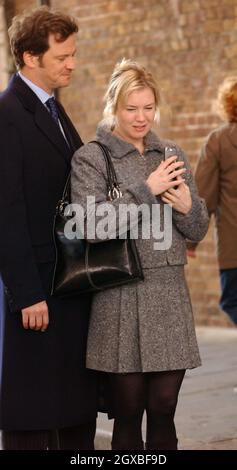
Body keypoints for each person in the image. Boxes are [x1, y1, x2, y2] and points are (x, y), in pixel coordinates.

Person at [71, 59, 209, 450]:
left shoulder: (170, 152)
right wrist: (147, 189)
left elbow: (197, 229)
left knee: (165, 405)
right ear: (114, 107)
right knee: (128, 409)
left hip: (168, 294)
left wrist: (187, 207)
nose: (141, 117)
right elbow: (90, 226)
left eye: (148, 108)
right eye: (131, 108)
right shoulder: (92, 157)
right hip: (120, 297)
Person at [0, 7, 97, 450]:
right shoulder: (7, 114)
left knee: (73, 409)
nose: (71, 64)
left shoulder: (55, 109)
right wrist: (27, 293)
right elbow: (7, 211)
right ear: (29, 57)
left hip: (70, 282)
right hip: (38, 291)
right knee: (32, 414)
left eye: (73, 54)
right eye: (62, 56)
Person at [188, 77, 237, 326]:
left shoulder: (218, 141)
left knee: (232, 301)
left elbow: (203, 197)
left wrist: (190, 240)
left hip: (233, 248)